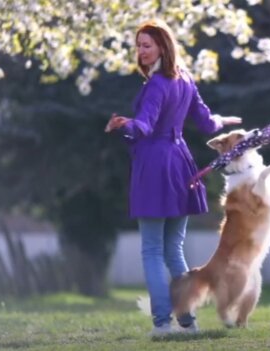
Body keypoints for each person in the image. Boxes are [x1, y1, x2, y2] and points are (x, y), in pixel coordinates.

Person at [105, 19, 241, 336]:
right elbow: (207, 124)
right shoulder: (186, 80)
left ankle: (163, 323)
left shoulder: (156, 84)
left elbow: (145, 126)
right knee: (173, 249)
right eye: (138, 45)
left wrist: (123, 125)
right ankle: (188, 321)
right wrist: (225, 119)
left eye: (147, 45)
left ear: (163, 47)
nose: (140, 51)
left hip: (155, 166)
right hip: (180, 165)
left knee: (153, 250)